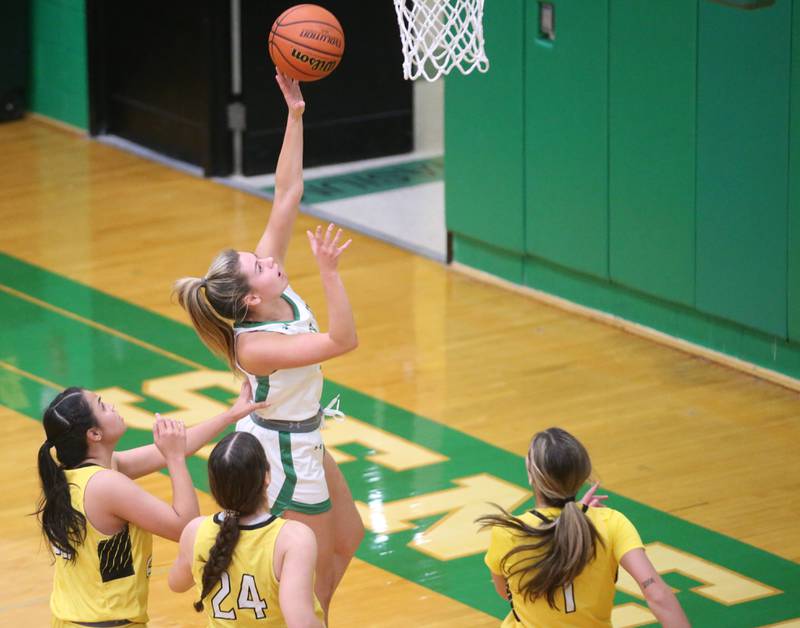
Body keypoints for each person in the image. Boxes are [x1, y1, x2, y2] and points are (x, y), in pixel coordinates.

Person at [173, 70, 364, 615]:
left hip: (305, 433)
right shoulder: (255, 346)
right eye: (260, 265)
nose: (270, 259)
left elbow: (287, 191)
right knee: (313, 583)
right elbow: (342, 341)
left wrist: (295, 114)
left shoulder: (265, 292)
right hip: (283, 452)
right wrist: (329, 273)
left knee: (348, 537)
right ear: (250, 300)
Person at [36, 381, 266, 627]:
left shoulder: (77, 474)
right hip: (105, 622)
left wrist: (230, 416)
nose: (112, 406)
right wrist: (175, 458)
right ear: (94, 434)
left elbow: (174, 448)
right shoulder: (106, 485)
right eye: (102, 405)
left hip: (74, 620)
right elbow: (186, 528)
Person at [478, 427, 690, 627]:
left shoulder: (509, 533)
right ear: (582, 475)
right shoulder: (611, 523)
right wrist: (582, 513)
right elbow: (657, 594)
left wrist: (578, 514)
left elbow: (506, 592)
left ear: (532, 475)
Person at [169, 431, 323, 627]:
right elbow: (301, 623)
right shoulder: (293, 539)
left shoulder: (195, 531)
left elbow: (176, 583)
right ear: (267, 476)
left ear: (214, 487)